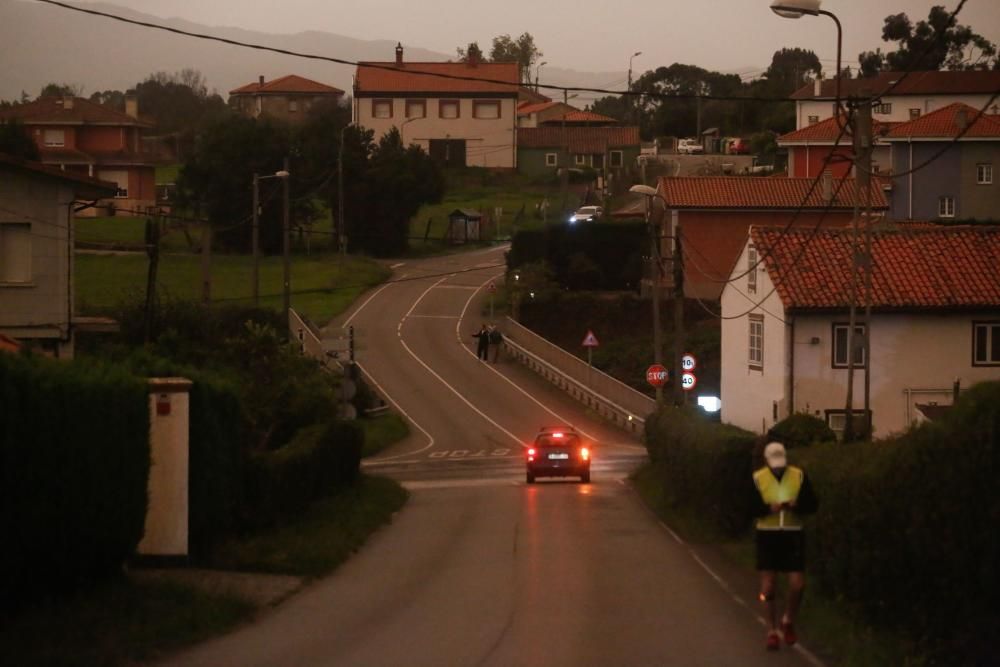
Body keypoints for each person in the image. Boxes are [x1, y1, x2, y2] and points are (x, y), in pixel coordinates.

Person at [750, 439, 819, 651]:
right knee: (768, 587)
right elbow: (749, 506)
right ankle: (771, 630)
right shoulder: (758, 479)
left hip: (793, 534)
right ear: (767, 461)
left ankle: (788, 619)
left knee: (798, 584)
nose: (778, 467)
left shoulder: (798, 475)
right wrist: (768, 509)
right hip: (767, 535)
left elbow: (813, 504)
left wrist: (797, 506)